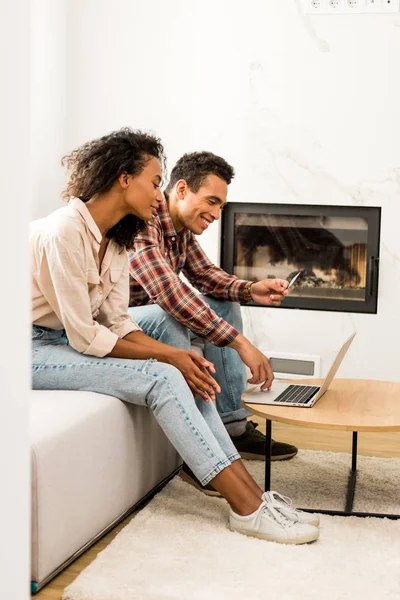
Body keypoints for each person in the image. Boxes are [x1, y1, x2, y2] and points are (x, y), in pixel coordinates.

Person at [31, 127, 319, 545]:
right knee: (165, 376)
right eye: (153, 181)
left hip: (69, 338)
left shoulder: (115, 239)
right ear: (123, 178)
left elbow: (118, 323)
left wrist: (182, 358)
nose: (157, 193)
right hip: (30, 348)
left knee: (182, 370)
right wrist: (171, 358)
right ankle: (247, 508)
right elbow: (86, 337)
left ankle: (255, 497)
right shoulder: (65, 232)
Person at [128, 151, 298, 495]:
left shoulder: (179, 230)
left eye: (221, 206)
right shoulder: (142, 221)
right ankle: (197, 455)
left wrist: (251, 290)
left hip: (154, 314)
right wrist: (240, 342)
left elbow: (205, 276)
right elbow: (167, 290)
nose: (216, 215)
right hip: (123, 324)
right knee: (169, 317)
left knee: (223, 300)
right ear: (180, 189)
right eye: (211, 202)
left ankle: (233, 426)